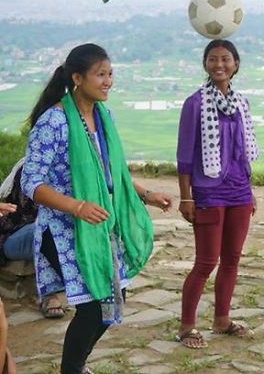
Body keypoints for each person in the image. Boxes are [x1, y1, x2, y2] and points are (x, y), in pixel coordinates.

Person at [21, 43, 172, 374]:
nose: (108, 82)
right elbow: (31, 183)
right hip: (62, 230)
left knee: (113, 300)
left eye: (110, 74)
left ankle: (77, 366)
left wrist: (147, 194)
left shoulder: (104, 117)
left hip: (99, 225)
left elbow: (112, 170)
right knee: (92, 308)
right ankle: (71, 370)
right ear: (77, 78)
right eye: (100, 74)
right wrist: (76, 206)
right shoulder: (54, 122)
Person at [175, 40, 259, 349]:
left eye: (225, 59)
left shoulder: (241, 103)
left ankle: (222, 320)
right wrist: (186, 197)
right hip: (208, 193)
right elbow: (185, 156)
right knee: (206, 262)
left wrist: (250, 192)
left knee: (232, 260)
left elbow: (243, 153)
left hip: (239, 191)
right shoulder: (194, 104)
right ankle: (186, 327)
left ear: (236, 64)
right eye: (212, 59)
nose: (219, 64)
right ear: (205, 64)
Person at [0, 160, 66, 318]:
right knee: (45, 228)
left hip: (37, 230)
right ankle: (49, 294)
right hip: (12, 235)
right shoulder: (31, 170)